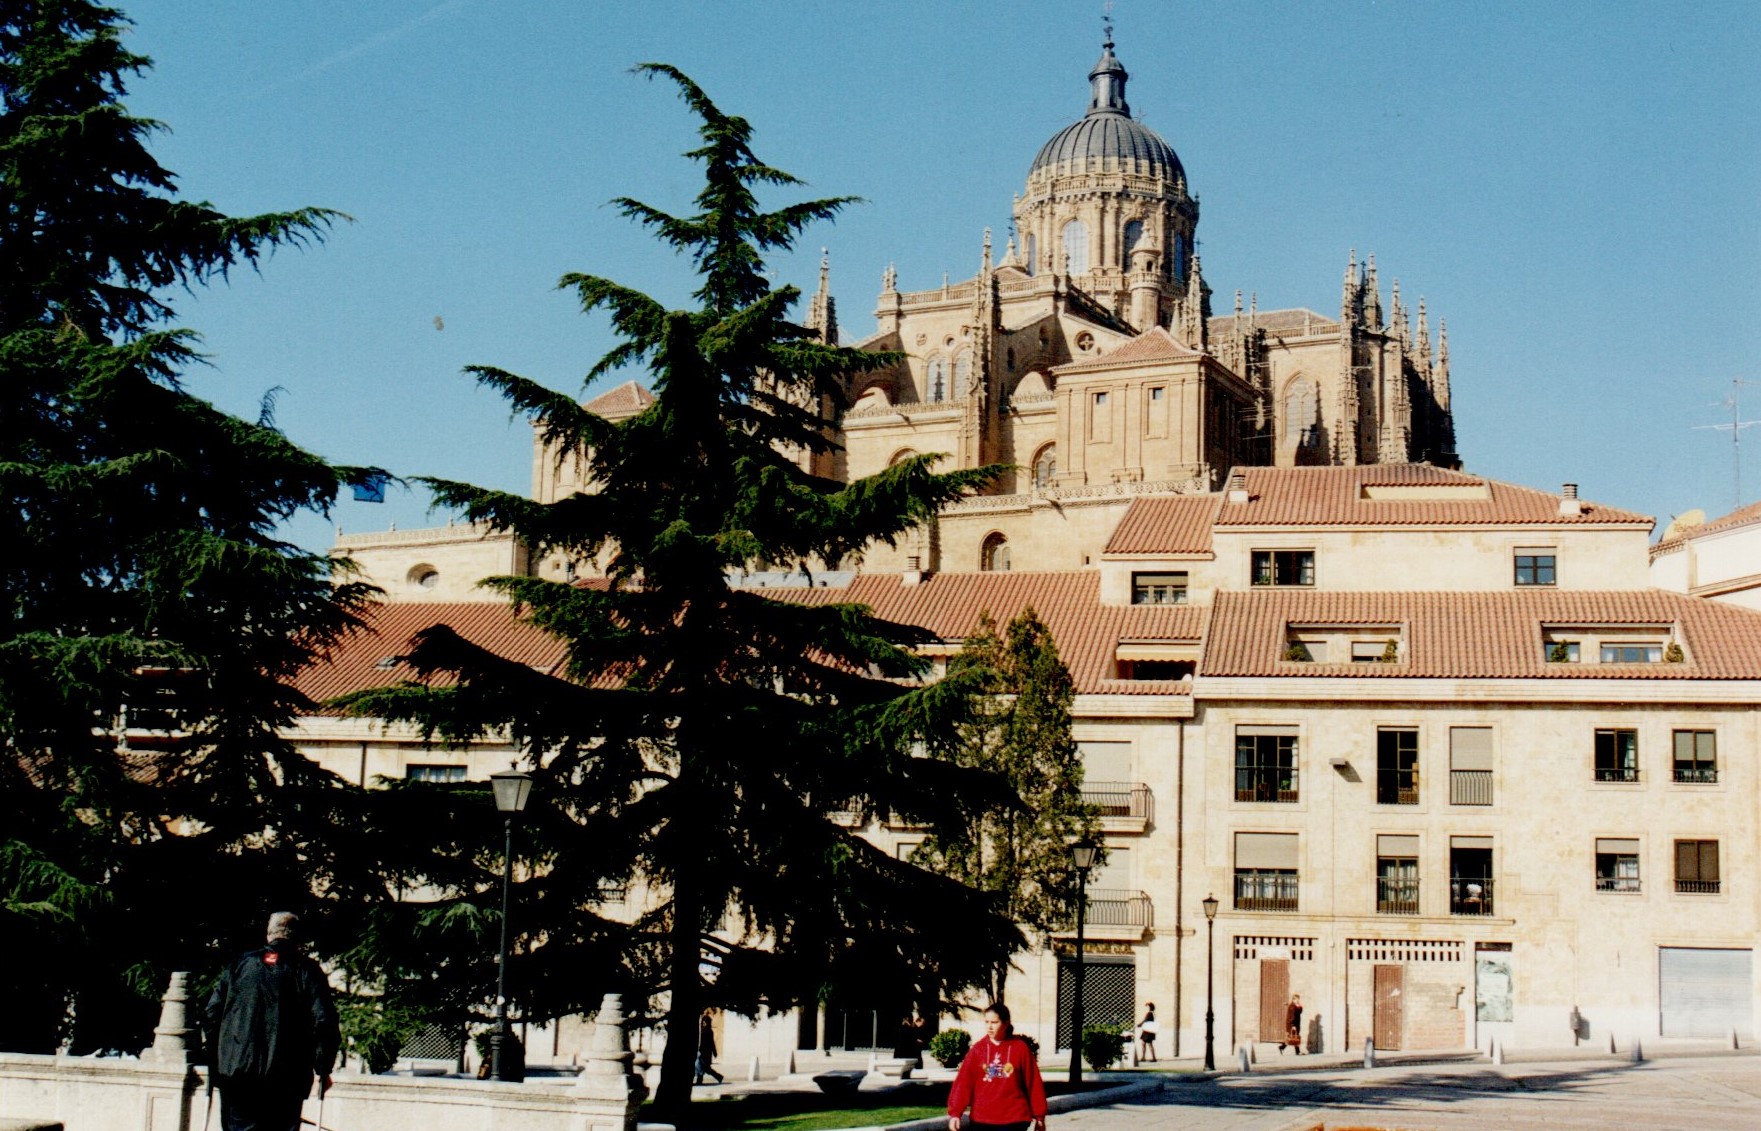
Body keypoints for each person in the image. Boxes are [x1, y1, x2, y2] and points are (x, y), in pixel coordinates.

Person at [204, 912, 339, 1131]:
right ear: (298, 940)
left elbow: (212, 1014)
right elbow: (323, 1021)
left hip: (236, 1074)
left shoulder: (239, 964)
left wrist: (217, 1058)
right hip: (286, 1077)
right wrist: (323, 1068)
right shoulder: (306, 970)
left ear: (269, 935)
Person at [946, 1002, 1047, 1131]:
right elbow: (964, 1082)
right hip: (982, 1119)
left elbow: (1033, 1083)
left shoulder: (1020, 1048)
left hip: (1014, 1118)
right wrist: (955, 1113)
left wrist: (1039, 1116)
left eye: (994, 1022)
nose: (989, 1027)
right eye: (986, 1022)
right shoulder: (978, 1050)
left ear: (1006, 1023)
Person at [693, 1012, 724, 1085]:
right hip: (704, 1052)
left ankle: (719, 1077)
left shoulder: (708, 1031)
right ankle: (700, 1081)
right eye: (703, 1023)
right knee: (702, 1067)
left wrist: (714, 1052)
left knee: (705, 1068)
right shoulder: (705, 1031)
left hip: (705, 1053)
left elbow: (711, 1043)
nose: (704, 1024)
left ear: (708, 1023)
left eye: (705, 1023)